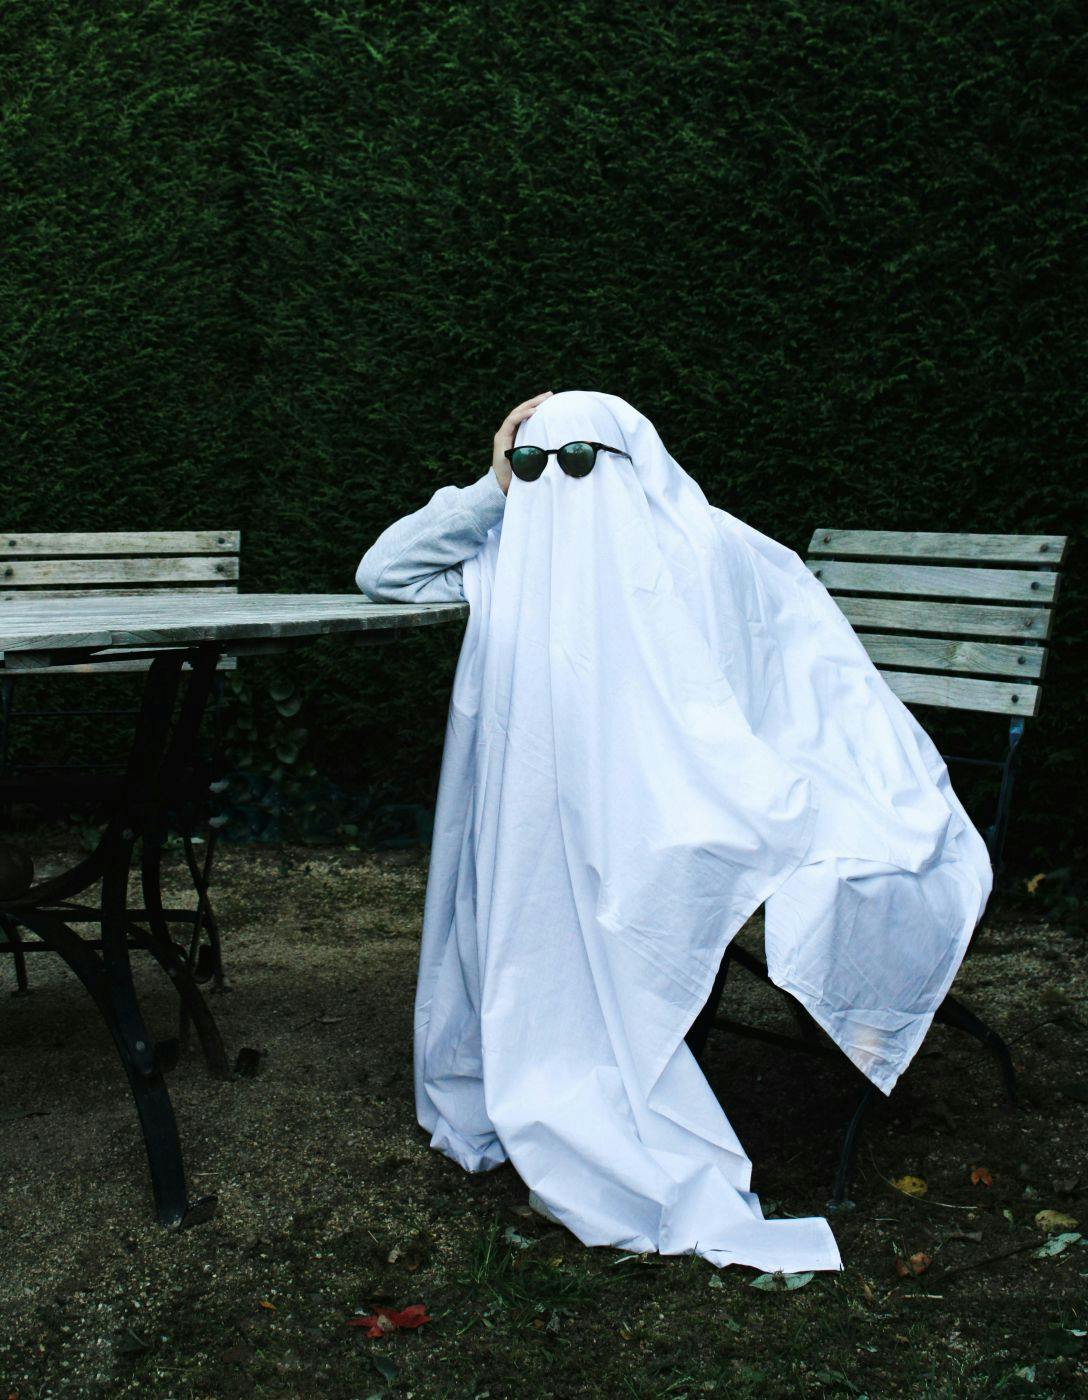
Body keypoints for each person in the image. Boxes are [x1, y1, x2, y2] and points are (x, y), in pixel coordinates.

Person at [354, 389, 991, 1273]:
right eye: (536, 464)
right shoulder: (510, 551)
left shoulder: (698, 541)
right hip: (543, 829)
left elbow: (783, 680)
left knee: (661, 872)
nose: (558, 482)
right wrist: (495, 485)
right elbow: (382, 572)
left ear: (633, 462)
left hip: (676, 808)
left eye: (581, 461)